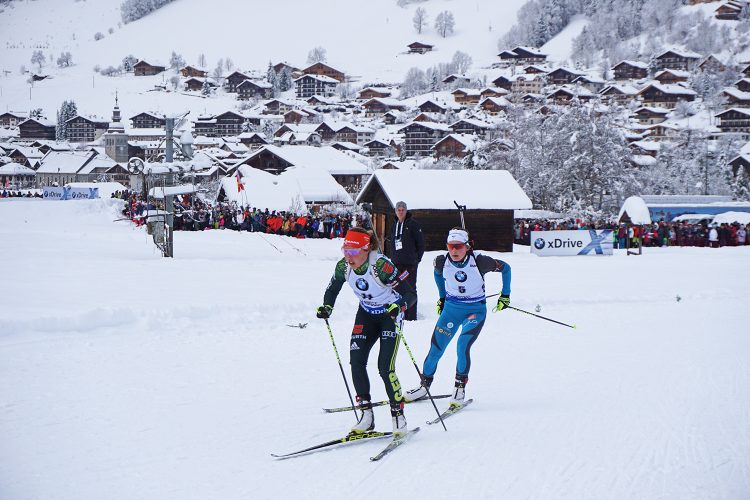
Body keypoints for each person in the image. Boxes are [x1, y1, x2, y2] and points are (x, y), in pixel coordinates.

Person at [316, 227, 417, 436]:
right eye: (345, 251)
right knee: (357, 360)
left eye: (353, 252)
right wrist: (327, 307)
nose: (348, 257)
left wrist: (401, 306)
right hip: (366, 314)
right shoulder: (343, 267)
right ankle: (366, 415)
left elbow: (409, 292)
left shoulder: (381, 266)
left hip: (389, 315)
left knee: (385, 367)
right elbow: (332, 288)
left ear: (366, 248)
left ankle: (398, 415)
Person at [405, 228, 512, 409]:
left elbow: (506, 268)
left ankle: (460, 387)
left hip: (474, 311)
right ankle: (424, 386)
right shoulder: (441, 261)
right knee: (436, 348)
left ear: (467, 246)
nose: (454, 251)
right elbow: (438, 275)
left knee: (462, 345)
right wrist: (442, 298)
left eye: (458, 246)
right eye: (450, 246)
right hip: (451, 310)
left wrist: (505, 295)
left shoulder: (480, 261)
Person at [389, 201, 424, 321]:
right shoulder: (394, 224)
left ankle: (411, 316)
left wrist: (416, 259)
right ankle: (400, 313)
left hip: (410, 263)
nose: (400, 212)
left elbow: (420, 243)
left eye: (403, 209)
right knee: (397, 288)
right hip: (396, 262)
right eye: (398, 210)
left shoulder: (413, 224)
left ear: (406, 211)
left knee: (410, 288)